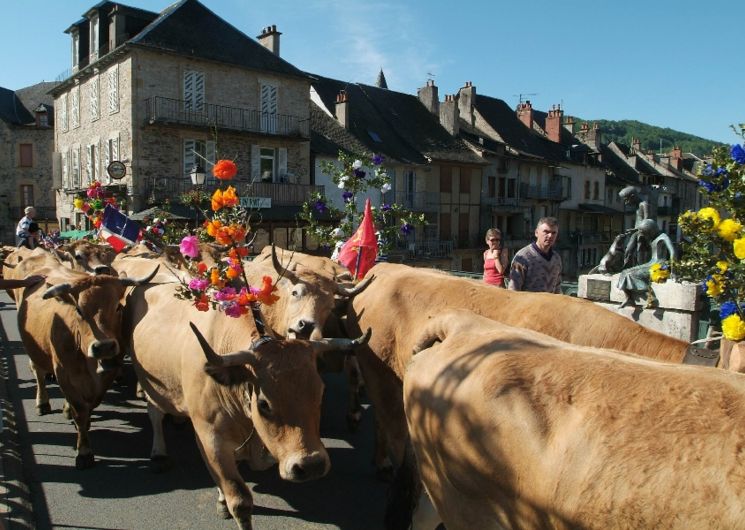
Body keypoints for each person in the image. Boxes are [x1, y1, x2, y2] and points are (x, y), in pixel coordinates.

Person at [617, 218, 675, 308]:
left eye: (646, 233)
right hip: (651, 263)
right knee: (625, 272)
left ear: (651, 231)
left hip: (660, 265)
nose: (645, 236)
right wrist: (636, 230)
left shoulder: (663, 237)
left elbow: (673, 252)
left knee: (634, 275)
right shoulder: (653, 238)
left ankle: (651, 297)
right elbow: (641, 229)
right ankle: (629, 298)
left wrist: (673, 271)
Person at [508, 217, 562, 293]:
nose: (550, 236)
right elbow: (513, 290)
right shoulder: (523, 257)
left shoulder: (556, 258)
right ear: (536, 233)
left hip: (550, 304)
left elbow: (557, 288)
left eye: (554, 233)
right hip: (528, 304)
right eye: (546, 232)